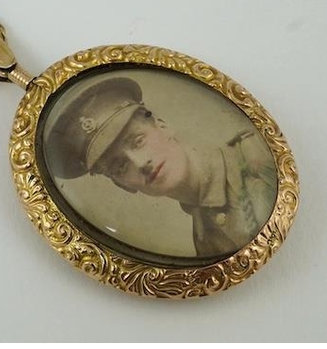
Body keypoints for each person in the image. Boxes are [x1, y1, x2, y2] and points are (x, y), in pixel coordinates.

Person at [46, 76, 277, 258]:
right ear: (123, 185)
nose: (141, 163)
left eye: (138, 141)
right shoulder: (204, 239)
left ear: (162, 125)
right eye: (120, 166)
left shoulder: (257, 159)